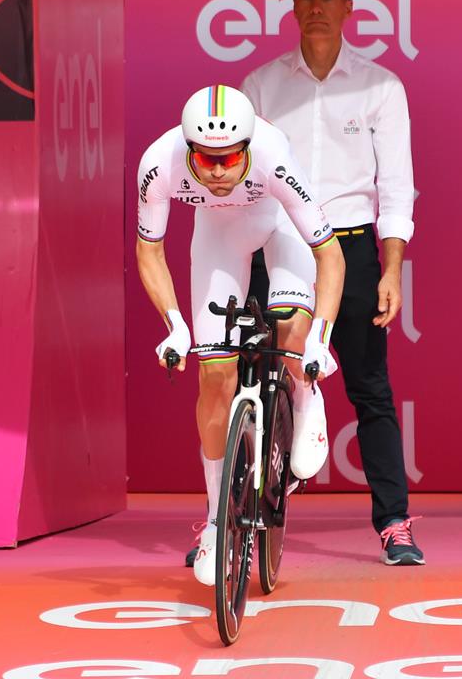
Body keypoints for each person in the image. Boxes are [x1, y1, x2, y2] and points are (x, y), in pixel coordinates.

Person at [240, 0, 423, 566]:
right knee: (252, 382)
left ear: (349, 8)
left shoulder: (380, 87)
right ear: (292, 8)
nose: (316, 7)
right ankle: (229, 522)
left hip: (351, 249)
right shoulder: (260, 86)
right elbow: (239, 181)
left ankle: (394, 524)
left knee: (370, 389)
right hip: (278, 246)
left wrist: (391, 269)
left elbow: (395, 188)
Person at [135, 84, 345, 586]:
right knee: (214, 375)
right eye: (204, 159)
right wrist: (174, 326)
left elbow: (330, 255)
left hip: (281, 226)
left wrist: (320, 339)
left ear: (248, 147)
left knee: (290, 324)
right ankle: (214, 520)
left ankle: (304, 395)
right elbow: (149, 251)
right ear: (188, 148)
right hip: (219, 234)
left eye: (229, 159)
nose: (216, 171)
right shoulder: (159, 163)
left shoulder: (273, 157)